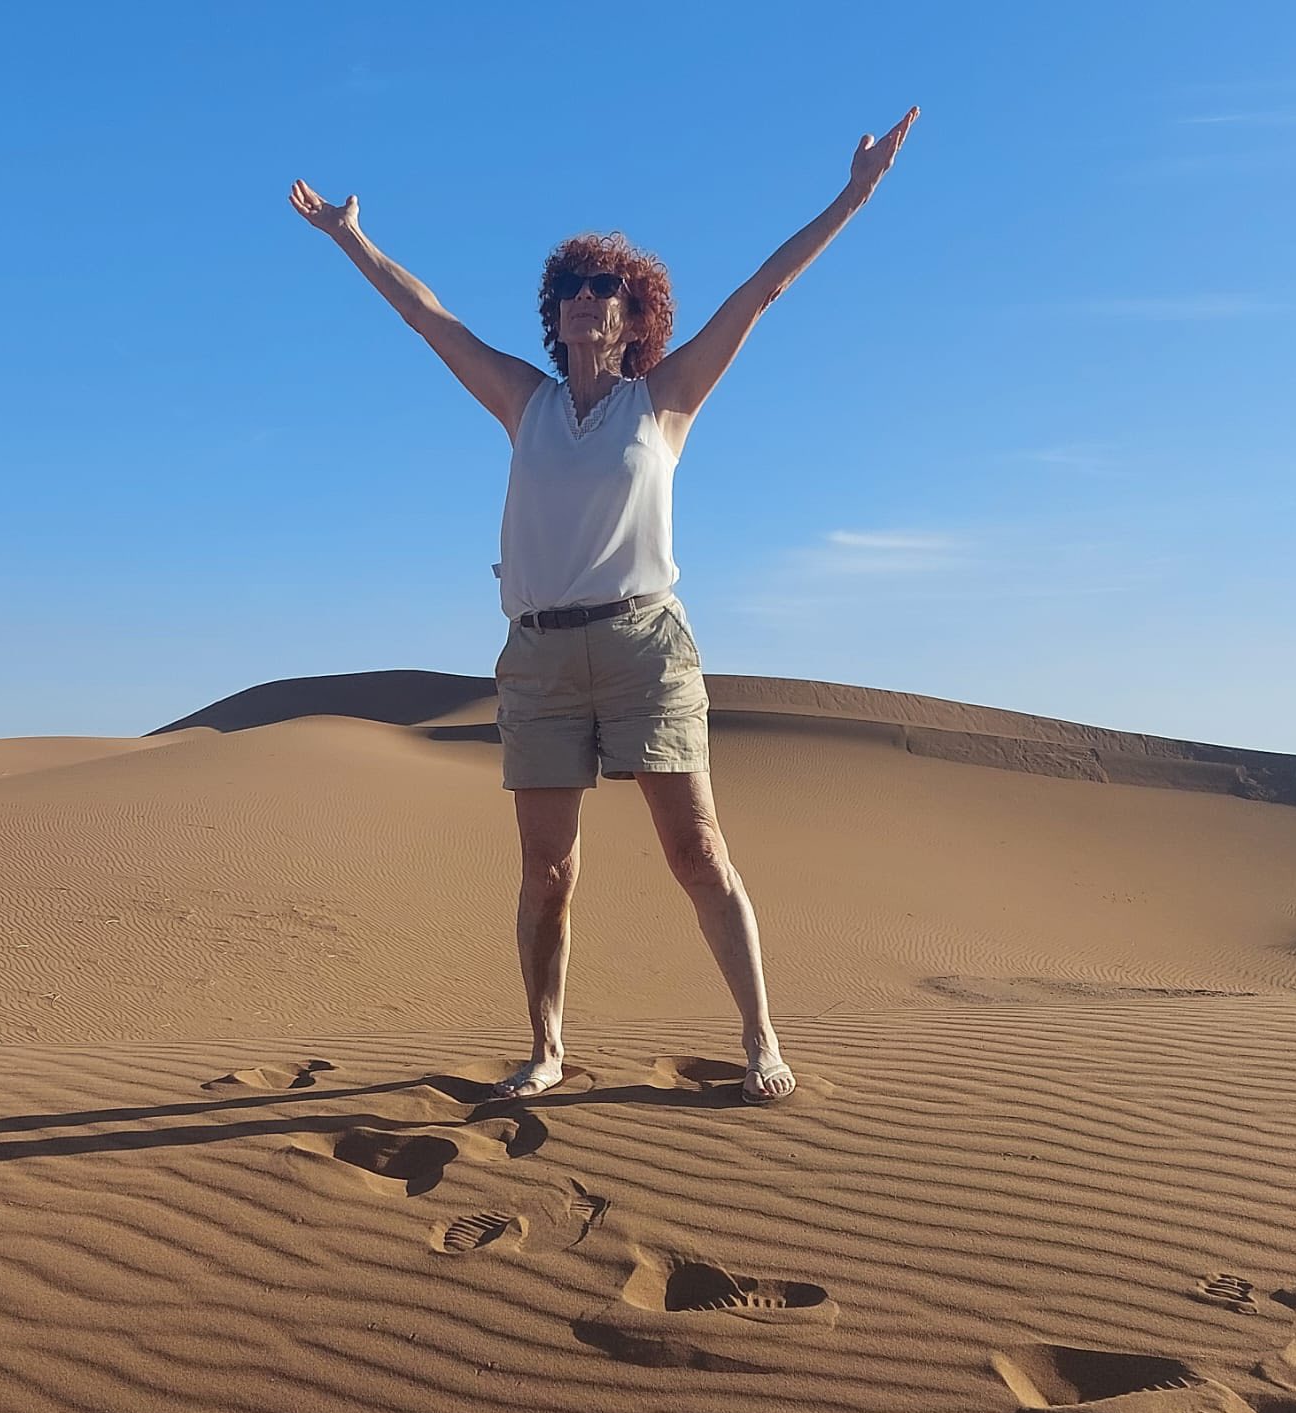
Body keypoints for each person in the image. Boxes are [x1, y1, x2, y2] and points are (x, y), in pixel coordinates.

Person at [288, 107, 919, 1106]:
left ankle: (760, 1039)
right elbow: (428, 319)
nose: (585, 300)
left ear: (633, 315)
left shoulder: (662, 401)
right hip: (538, 657)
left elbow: (762, 290)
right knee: (547, 873)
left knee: (697, 853)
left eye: (603, 289)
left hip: (642, 649)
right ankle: (544, 1049)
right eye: (570, 289)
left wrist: (853, 194)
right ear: (555, 313)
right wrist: (350, 237)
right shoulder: (523, 401)